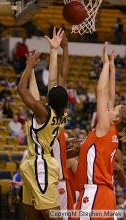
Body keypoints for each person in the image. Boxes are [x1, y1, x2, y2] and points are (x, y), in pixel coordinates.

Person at [18, 28, 68, 220]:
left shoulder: (44, 112)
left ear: (48, 99)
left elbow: (22, 90)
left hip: (41, 165)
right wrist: (60, 49)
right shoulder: (60, 112)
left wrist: (29, 66)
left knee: (51, 214)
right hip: (34, 164)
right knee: (31, 215)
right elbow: (59, 79)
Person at [75, 43, 126, 219]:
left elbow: (101, 93)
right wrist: (112, 66)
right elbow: (110, 97)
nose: (109, 109)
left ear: (116, 119)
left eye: (113, 110)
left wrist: (104, 65)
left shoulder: (105, 128)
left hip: (95, 193)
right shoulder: (111, 132)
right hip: (105, 195)